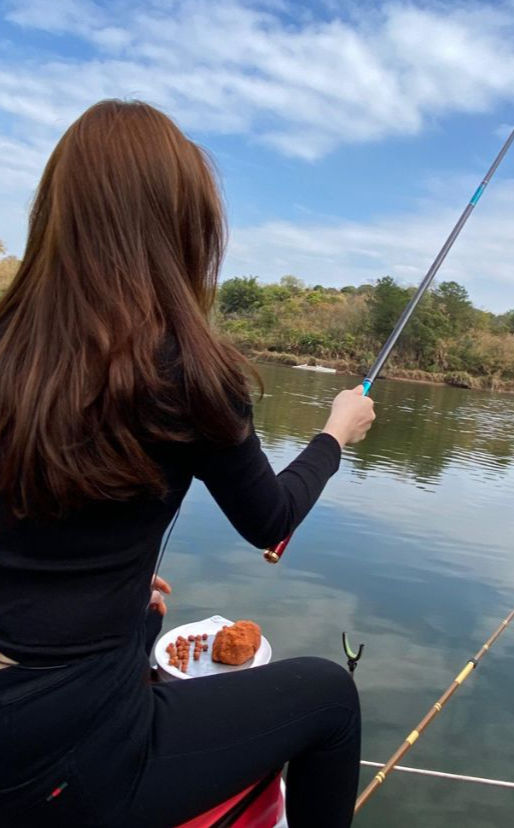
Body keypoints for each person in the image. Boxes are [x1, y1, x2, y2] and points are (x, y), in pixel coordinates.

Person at [0, 100, 375, 828]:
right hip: (57, 755)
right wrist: (334, 435)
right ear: (183, 228)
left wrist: (119, 591)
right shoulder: (187, 373)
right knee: (330, 697)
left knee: (146, 622)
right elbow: (269, 520)